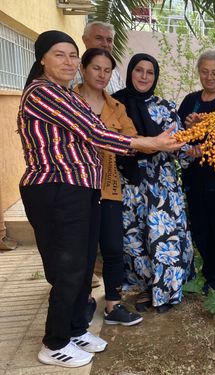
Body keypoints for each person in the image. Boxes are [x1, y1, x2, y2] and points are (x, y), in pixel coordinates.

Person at [18, 30, 183, 368]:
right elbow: (96, 133)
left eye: (71, 55)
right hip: (55, 188)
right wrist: (151, 144)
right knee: (68, 268)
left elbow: (103, 131)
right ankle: (54, 343)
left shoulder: (64, 94)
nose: (68, 62)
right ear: (42, 60)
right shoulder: (43, 93)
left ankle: (76, 329)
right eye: (59, 54)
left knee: (80, 266)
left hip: (82, 189)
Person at [113, 53, 195, 314]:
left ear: (155, 76)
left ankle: (168, 294)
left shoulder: (166, 107)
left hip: (162, 185)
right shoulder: (115, 104)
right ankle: (146, 289)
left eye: (150, 72)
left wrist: (193, 151)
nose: (144, 76)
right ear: (131, 72)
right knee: (134, 241)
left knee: (164, 239)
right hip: (129, 185)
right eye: (139, 70)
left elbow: (179, 146)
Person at [74, 48, 144, 326]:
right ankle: (82, 302)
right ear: (83, 69)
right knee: (82, 251)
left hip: (109, 187)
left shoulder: (116, 107)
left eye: (107, 70)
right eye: (96, 68)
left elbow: (131, 141)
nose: (102, 75)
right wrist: (109, 139)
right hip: (77, 187)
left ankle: (113, 305)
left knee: (114, 248)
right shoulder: (69, 100)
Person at [178, 51, 215, 293]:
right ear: (199, 72)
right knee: (201, 230)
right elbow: (177, 135)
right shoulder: (190, 101)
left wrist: (207, 145)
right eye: (205, 72)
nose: (210, 77)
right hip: (195, 179)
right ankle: (209, 274)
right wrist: (189, 134)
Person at [71, 21, 124, 94]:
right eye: (99, 38)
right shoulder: (71, 68)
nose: (105, 44)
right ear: (85, 40)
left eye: (109, 40)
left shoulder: (115, 73)